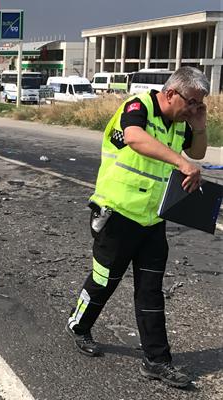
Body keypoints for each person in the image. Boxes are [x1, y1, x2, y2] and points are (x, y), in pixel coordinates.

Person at [65, 66, 210, 388]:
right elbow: (134, 138)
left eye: (200, 105)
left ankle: (157, 360)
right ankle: (79, 325)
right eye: (192, 103)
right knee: (104, 282)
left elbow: (197, 151)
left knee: (151, 291)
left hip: (152, 220)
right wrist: (180, 162)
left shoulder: (180, 122)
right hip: (116, 214)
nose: (193, 109)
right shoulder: (138, 106)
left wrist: (199, 126)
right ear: (171, 93)